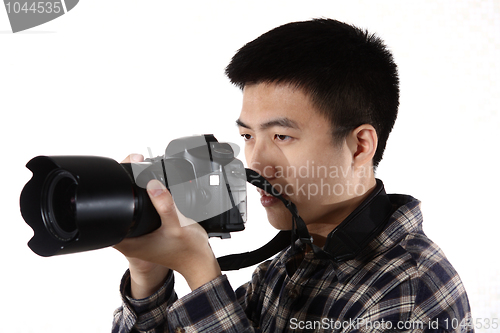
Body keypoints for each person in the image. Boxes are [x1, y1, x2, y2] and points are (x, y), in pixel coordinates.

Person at [112, 18, 474, 333]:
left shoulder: (408, 291)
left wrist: (199, 269)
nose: (253, 163)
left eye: (281, 137)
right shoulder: (291, 263)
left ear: (360, 146)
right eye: (247, 137)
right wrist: (148, 275)